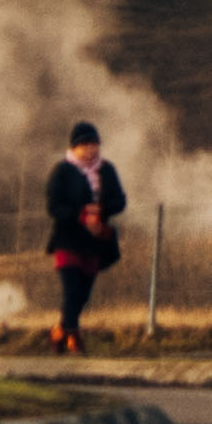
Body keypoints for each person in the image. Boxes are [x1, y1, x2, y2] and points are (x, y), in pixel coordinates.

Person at [44, 120, 126, 355]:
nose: (91, 149)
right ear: (75, 147)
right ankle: (74, 338)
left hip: (95, 241)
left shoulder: (107, 170)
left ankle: (59, 331)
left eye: (94, 144)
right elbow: (53, 206)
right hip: (68, 239)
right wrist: (79, 215)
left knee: (83, 294)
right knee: (72, 289)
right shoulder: (62, 171)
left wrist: (101, 210)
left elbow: (120, 200)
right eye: (86, 144)